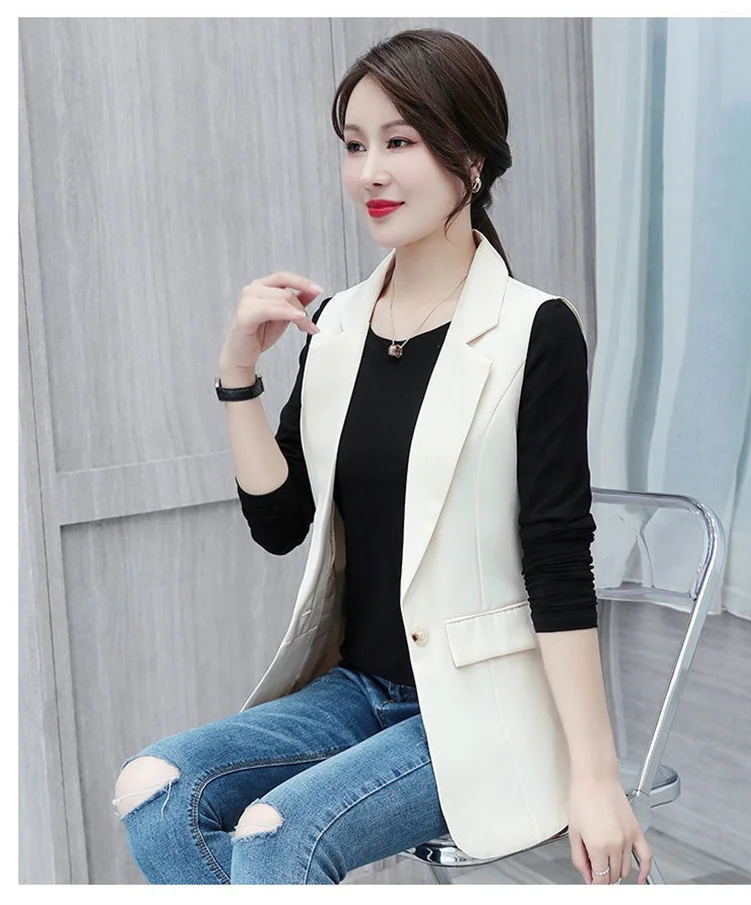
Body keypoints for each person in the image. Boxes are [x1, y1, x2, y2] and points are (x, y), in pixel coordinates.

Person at [112, 27, 652, 885]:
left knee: (274, 837)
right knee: (155, 792)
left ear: (470, 158)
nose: (369, 172)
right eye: (355, 145)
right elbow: (280, 522)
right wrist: (238, 372)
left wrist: (596, 778)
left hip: (481, 707)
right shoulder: (336, 327)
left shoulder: (532, 331)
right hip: (357, 691)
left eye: (400, 142)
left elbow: (557, 558)